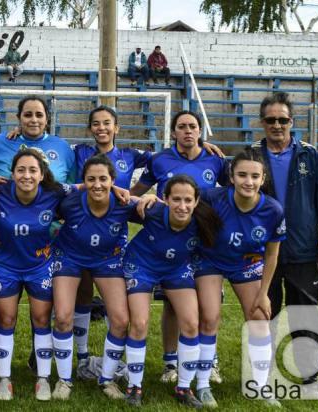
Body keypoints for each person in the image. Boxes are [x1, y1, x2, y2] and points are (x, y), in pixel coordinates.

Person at [130, 110, 229, 386]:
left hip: (205, 243)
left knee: (210, 306)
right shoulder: (159, 159)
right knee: (174, 306)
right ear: (174, 131)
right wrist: (145, 199)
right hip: (171, 243)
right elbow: (137, 190)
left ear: (200, 131)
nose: (188, 131)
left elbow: (232, 193)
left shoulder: (216, 160)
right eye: (182, 126)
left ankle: (210, 361)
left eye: (193, 126)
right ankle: (170, 362)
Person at [251, 92, 318, 397]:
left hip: (303, 251)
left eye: (283, 120)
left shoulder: (310, 156)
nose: (277, 125)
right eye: (271, 119)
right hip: (261, 254)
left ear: (292, 122)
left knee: (305, 315)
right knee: (265, 316)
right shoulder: (251, 156)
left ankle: (311, 379)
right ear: (262, 122)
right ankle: (266, 379)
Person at [185, 148, 285, 408]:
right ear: (231, 176)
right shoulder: (211, 197)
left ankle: (261, 386)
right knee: (210, 317)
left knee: (260, 317)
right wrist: (147, 201)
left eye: (254, 176)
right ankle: (204, 384)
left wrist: (263, 293)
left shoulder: (273, 210)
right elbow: (180, 200)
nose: (248, 182)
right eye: (242, 175)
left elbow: (272, 256)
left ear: (263, 179)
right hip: (210, 260)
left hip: (246, 264)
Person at [122, 175, 221, 408]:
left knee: (190, 323)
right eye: (176, 199)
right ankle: (134, 386)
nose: (182, 206)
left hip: (176, 270)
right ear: (165, 198)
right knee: (139, 322)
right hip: (141, 266)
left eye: (188, 200)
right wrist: (143, 197)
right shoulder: (152, 210)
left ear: (197, 202)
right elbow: (116, 199)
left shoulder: (204, 219)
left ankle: (183, 388)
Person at [0, 148, 73, 401]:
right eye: (21, 170)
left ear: (42, 174)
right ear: (12, 173)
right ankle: (4, 379)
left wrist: (116, 190)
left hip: (39, 265)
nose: (26, 175)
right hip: (5, 265)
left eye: (32, 170)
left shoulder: (55, 193)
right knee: (6, 319)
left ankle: (43, 379)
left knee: (41, 318)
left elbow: (86, 187)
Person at [50, 154, 134, 400]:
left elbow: (156, 209)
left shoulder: (124, 203)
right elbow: (42, 197)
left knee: (119, 320)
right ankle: (64, 380)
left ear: (113, 181)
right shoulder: (70, 202)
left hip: (107, 260)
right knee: (63, 317)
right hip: (69, 257)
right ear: (83, 181)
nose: (97, 184)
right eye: (91, 179)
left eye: (103, 179)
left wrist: (149, 199)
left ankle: (107, 380)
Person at [0, 96, 75, 184]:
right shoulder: (1, 142)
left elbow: (73, 184)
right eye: (28, 115)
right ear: (19, 118)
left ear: (46, 119)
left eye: (39, 115)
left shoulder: (63, 147)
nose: (34, 120)